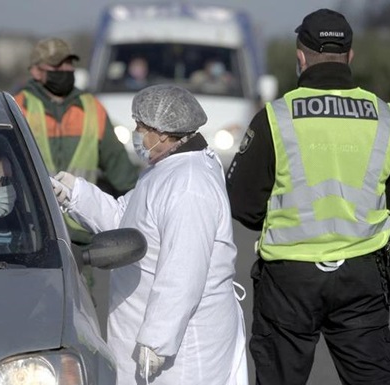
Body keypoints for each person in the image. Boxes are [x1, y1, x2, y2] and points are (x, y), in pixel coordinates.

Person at [225, 8, 390, 385]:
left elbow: (244, 203)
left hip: (289, 279)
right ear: (350, 56)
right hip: (362, 272)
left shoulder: (275, 117)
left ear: (301, 57)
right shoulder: (386, 116)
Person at [51, 84, 248, 385]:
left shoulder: (189, 185)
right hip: (153, 338)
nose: (137, 134)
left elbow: (183, 270)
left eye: (141, 127)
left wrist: (158, 339)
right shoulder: (165, 170)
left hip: (183, 349)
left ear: (165, 132)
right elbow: (125, 218)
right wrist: (73, 194)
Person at [13, 37, 139, 245]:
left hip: (82, 233)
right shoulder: (19, 106)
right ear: (36, 72)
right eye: (56, 65)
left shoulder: (92, 107)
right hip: (34, 232)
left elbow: (120, 171)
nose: (65, 69)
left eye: (69, 63)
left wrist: (138, 208)